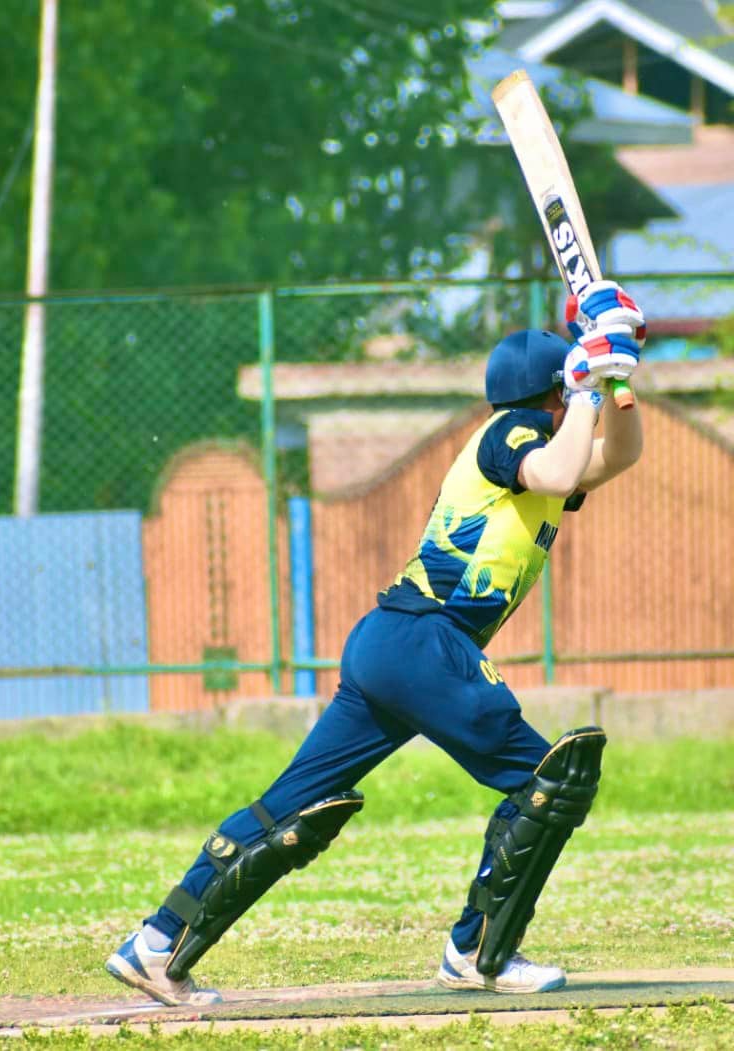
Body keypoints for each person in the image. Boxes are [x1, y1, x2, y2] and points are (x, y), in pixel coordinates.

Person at [106, 281, 647, 1006]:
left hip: (390, 644)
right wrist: (584, 387)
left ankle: (157, 943)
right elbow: (557, 464)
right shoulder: (513, 434)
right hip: (427, 639)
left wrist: (616, 381)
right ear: (549, 396)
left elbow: (616, 459)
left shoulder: (549, 441)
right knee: (550, 781)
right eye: (566, 396)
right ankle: (478, 953)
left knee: (292, 810)